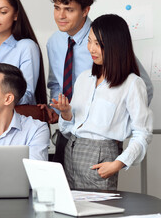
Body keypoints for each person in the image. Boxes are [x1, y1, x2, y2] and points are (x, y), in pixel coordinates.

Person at [40, 0, 153, 165]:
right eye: (57, 8)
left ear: (85, 10)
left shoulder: (105, 39)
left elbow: (144, 87)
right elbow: (55, 83)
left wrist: (113, 124)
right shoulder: (55, 42)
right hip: (67, 130)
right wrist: (57, 109)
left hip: (100, 141)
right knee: (63, 190)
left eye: (69, 9)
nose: (61, 15)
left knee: (96, 193)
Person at [51, 14, 153, 190]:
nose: (91, 48)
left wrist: (119, 163)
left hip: (100, 156)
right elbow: (70, 129)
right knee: (68, 210)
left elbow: (142, 133)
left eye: (98, 44)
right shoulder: (84, 78)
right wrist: (66, 114)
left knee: (98, 212)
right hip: (71, 150)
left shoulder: (132, 83)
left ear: (116, 46)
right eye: (89, 41)